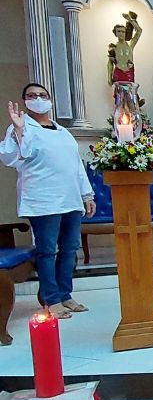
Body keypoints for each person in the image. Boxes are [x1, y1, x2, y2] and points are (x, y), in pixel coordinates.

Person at [1, 84, 96, 319]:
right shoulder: (20, 128)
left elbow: (76, 166)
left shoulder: (63, 132)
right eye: (32, 96)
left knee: (69, 249)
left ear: (50, 100)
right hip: (43, 200)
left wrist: (87, 194)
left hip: (70, 199)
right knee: (46, 251)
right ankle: (51, 300)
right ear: (24, 101)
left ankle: (65, 295)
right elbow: (11, 158)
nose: (38, 99)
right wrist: (19, 132)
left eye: (42, 95)